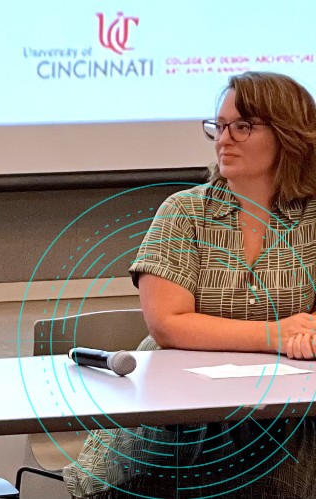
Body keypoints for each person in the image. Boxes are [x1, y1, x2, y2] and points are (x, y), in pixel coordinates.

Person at [66, 71, 316, 498]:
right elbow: (168, 323)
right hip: (180, 419)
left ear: (288, 135)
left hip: (285, 418)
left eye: (242, 126)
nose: (224, 139)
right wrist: (277, 334)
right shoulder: (184, 212)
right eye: (218, 127)